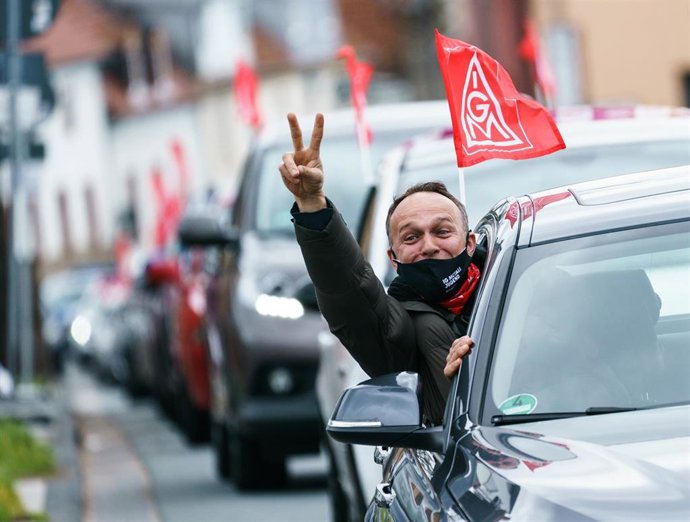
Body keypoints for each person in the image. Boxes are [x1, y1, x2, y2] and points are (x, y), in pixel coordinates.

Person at [278, 113, 479, 425]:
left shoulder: (517, 287)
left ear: (469, 243)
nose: (427, 245)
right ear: (392, 256)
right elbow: (349, 292)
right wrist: (313, 206)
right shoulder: (400, 327)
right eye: (411, 237)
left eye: (442, 232)